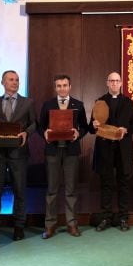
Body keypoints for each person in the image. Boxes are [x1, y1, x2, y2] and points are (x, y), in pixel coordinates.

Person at [0, 70, 36, 243]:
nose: (15, 82)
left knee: (19, 190)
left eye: (17, 80)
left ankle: (19, 226)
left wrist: (27, 133)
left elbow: (34, 123)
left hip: (18, 152)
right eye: (11, 79)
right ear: (3, 82)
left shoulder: (28, 102)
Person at [39, 74, 89, 239]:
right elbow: (40, 126)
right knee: (52, 190)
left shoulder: (79, 105)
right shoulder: (48, 105)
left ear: (70, 86)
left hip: (71, 152)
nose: (62, 88)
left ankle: (72, 224)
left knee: (71, 190)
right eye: (59, 86)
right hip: (52, 151)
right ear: (55, 88)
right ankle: (50, 225)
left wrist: (78, 132)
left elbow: (85, 127)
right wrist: (44, 132)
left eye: (65, 85)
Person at [89, 72, 133, 232]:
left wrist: (127, 129)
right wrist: (94, 124)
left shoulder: (128, 103)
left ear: (121, 83)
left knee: (123, 184)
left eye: (117, 81)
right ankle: (105, 217)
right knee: (106, 184)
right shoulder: (100, 101)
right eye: (112, 81)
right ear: (107, 83)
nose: (115, 83)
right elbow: (91, 128)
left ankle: (123, 218)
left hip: (122, 149)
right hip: (105, 149)